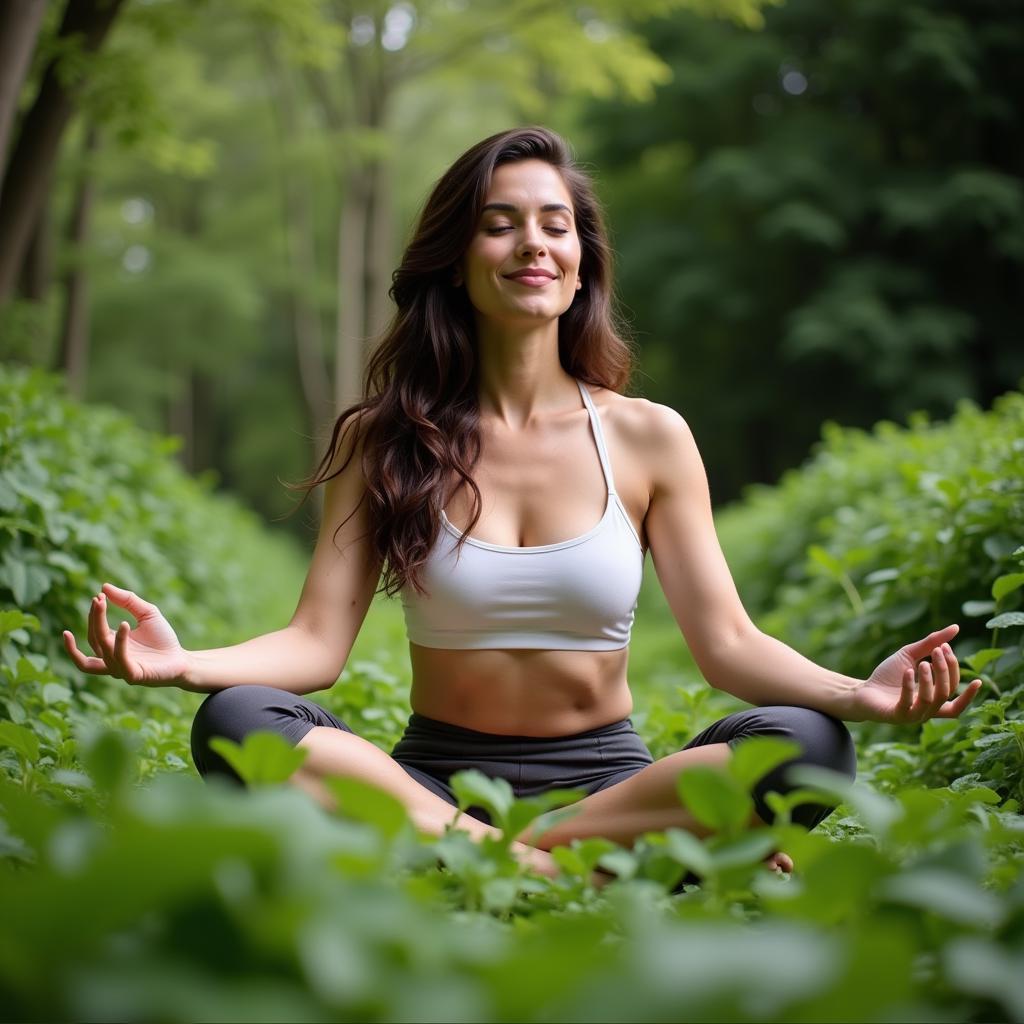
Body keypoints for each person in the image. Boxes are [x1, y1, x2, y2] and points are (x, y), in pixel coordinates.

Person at [62, 126, 981, 885]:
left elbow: (728, 647)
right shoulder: (382, 438)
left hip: (610, 780)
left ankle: (482, 857)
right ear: (458, 261)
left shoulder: (649, 437)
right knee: (237, 722)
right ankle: (595, 862)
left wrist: (857, 695)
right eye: (499, 225)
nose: (531, 243)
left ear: (582, 263)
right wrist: (185, 666)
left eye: (554, 224)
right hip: (429, 778)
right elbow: (313, 647)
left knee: (810, 745)